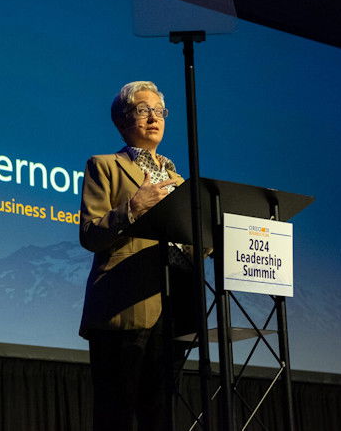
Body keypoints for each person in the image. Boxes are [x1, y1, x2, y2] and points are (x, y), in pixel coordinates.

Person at [79, 80, 194, 431]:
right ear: (122, 119)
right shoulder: (105, 166)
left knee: (159, 417)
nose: (154, 118)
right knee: (115, 415)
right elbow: (90, 234)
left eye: (159, 111)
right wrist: (132, 207)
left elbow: (191, 243)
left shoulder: (178, 179)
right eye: (143, 110)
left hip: (174, 310)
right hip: (123, 307)